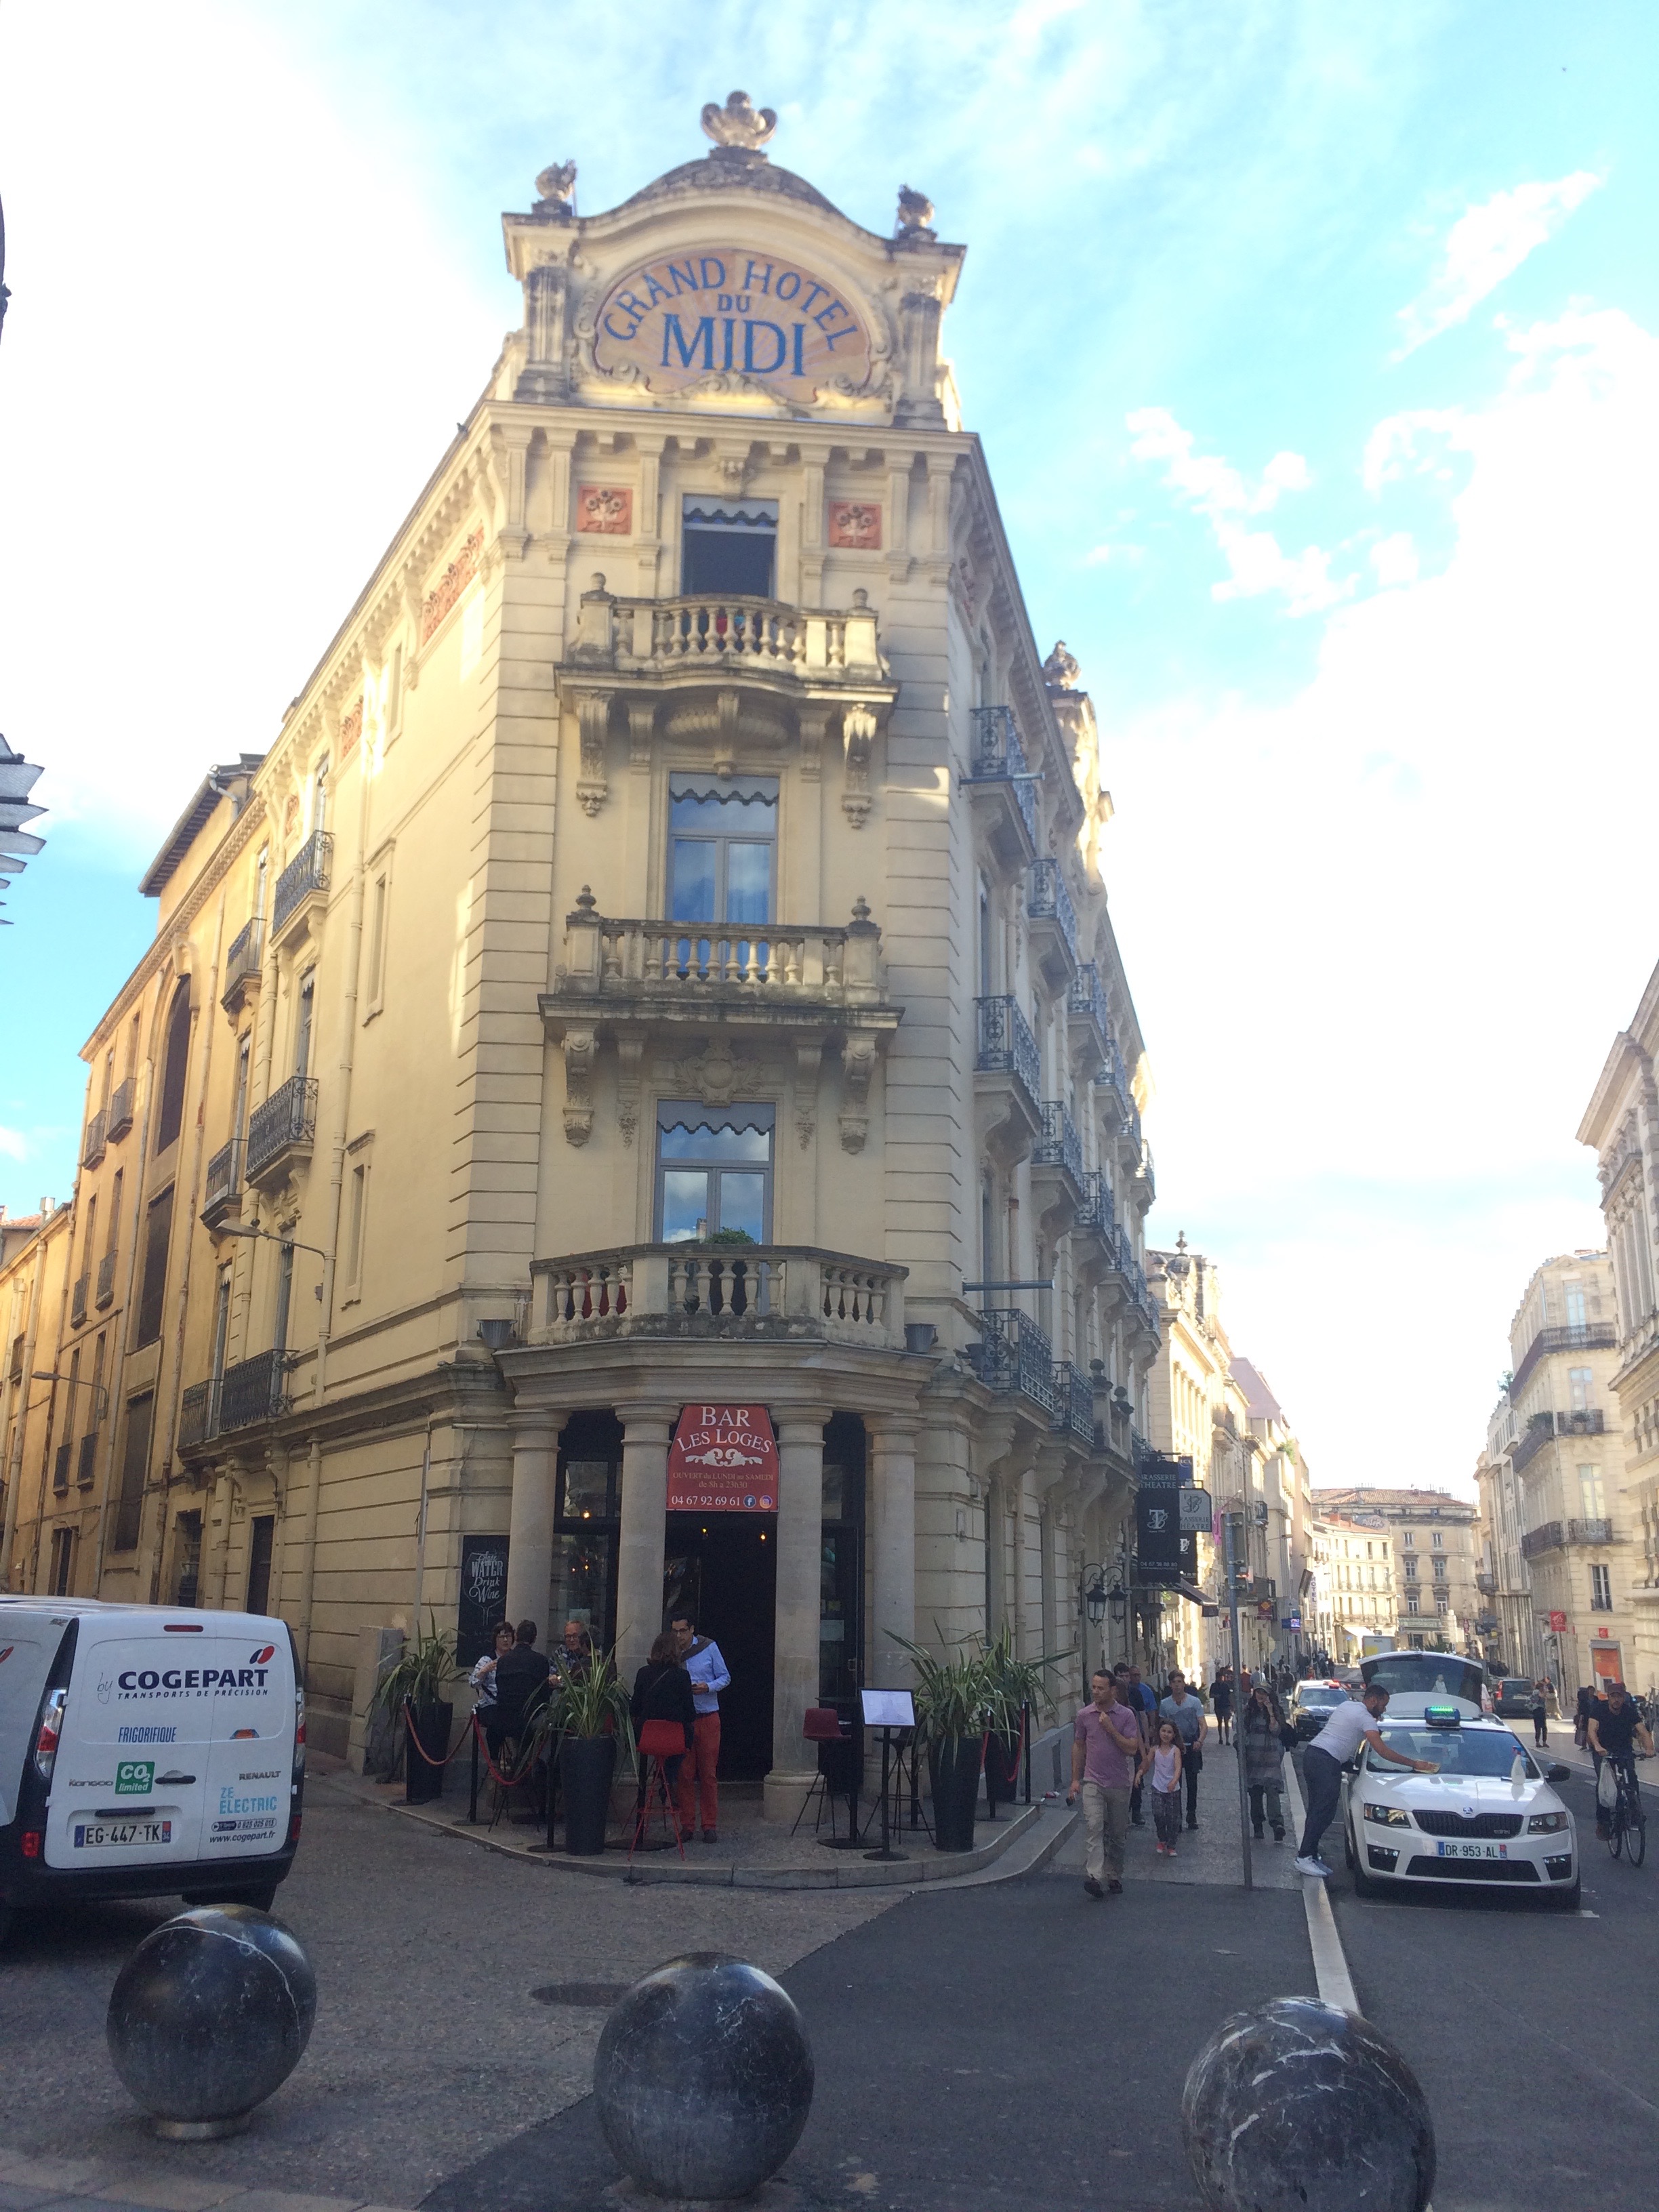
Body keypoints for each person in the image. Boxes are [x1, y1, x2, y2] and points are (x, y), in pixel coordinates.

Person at [1294, 1681, 1437, 1878]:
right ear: (1374, 1700)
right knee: (1323, 1812)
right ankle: (1304, 1857)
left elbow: (1344, 1734)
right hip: (1326, 1762)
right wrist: (1413, 1763)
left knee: (1317, 1810)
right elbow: (1382, 1750)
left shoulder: (1347, 1706)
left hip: (1314, 1755)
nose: (1384, 1710)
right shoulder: (1365, 1718)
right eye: (1383, 1705)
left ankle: (1310, 1854)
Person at [1067, 1668, 1145, 1897]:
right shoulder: (1084, 1715)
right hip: (1093, 1780)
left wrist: (1111, 1729)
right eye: (1093, 1687)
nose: (1096, 1692)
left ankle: (1114, 1874)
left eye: (1101, 1688)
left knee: (1117, 1834)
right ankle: (1094, 1876)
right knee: (1094, 1826)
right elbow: (1079, 1746)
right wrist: (1075, 1779)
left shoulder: (1126, 1715)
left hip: (1119, 1783)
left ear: (1112, 1690)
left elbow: (1132, 1748)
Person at [670, 1612, 731, 1843]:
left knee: (708, 1774)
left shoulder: (709, 1647)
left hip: (708, 1716)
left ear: (692, 1629)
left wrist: (708, 1687)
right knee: (685, 1774)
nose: (679, 1636)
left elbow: (725, 1677)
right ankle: (687, 1824)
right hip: (685, 1720)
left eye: (683, 1631)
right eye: (675, 1631)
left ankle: (709, 1825)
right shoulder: (671, 1652)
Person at [630, 1631, 698, 1830]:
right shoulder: (682, 1677)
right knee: (685, 1741)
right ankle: (668, 1777)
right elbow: (690, 1714)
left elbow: (634, 1709)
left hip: (647, 1739)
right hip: (674, 1740)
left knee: (663, 1749)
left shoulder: (643, 1673)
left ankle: (664, 1777)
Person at [1586, 1680, 1654, 1837]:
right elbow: (1592, 1730)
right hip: (1603, 1750)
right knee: (1604, 1784)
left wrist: (1649, 1749)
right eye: (1613, 1696)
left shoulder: (1629, 1711)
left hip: (1623, 1749)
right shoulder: (1599, 1710)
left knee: (1631, 1777)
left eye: (1619, 1696)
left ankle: (1635, 1812)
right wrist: (1597, 1746)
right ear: (1608, 1697)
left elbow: (1643, 1732)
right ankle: (1603, 1822)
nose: (1616, 1700)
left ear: (1624, 1698)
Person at [1158, 1670, 1208, 1830]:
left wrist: (1200, 1741)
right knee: (1175, 1783)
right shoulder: (1165, 1704)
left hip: (1192, 1746)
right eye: (1174, 1682)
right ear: (1170, 1685)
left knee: (1192, 1783)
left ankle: (1191, 1814)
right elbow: (1162, 1726)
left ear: (1184, 1684)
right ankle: (1176, 1817)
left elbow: (1203, 1724)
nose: (1177, 1685)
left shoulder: (1194, 1702)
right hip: (1175, 1748)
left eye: (1180, 1682)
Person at [1241, 1679, 1288, 1842]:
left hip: (1271, 1757)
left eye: (1264, 1693)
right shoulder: (1247, 1711)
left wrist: (1270, 1712)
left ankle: (1277, 1824)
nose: (1260, 1696)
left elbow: (1276, 1731)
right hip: (1253, 1757)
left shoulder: (1276, 1710)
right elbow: (1241, 1731)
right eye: (1258, 1692)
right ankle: (1258, 1825)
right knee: (1255, 1793)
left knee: (1273, 1791)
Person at [1123, 1664, 1158, 1824]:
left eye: (1127, 1676)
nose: (1126, 1679)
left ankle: (1136, 1811)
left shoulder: (1138, 1692)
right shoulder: (1113, 1693)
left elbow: (1144, 1715)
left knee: (1137, 1776)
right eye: (1122, 1676)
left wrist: (1147, 1739)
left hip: (1136, 1740)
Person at [1147, 1719, 1183, 1856]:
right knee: (1158, 1814)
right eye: (1163, 1731)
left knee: (1172, 1818)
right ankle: (1162, 1839)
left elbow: (1178, 1768)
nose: (1166, 1734)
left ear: (1174, 1735)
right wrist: (1139, 1773)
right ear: (1159, 1732)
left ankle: (1171, 1844)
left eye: (1169, 1732)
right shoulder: (1154, 1750)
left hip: (1172, 1789)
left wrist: (1174, 1781)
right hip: (1157, 1787)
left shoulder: (1175, 1751)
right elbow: (1147, 1764)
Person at [469, 1619, 516, 1715]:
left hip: (512, 1705)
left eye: (508, 1636)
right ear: (495, 1639)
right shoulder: (487, 1660)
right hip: (490, 1706)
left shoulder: (516, 1658)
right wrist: (484, 1671)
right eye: (502, 1637)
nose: (506, 1640)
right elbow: (473, 1683)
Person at [1210, 1666, 1234, 1747]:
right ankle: (1220, 1738)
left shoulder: (1225, 1685)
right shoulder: (1214, 1685)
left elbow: (1229, 1695)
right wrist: (1216, 1696)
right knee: (1220, 1722)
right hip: (1218, 1706)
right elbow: (1211, 1695)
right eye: (1219, 1677)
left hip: (1226, 1705)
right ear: (1217, 1678)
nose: (1221, 1679)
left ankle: (1227, 1739)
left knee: (1226, 1723)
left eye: (1221, 1677)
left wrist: (1231, 1705)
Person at [1531, 1679, 1550, 1749]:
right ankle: (1540, 1742)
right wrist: (1545, 1692)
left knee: (1540, 1727)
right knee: (1541, 1727)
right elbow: (1541, 1697)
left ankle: (1540, 1741)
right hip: (1539, 1710)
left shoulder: (1535, 1692)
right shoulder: (1537, 1692)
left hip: (1538, 1710)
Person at [1575, 1683, 1593, 1749]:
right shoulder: (1586, 1701)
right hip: (1587, 1717)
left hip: (1585, 1718)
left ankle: (1586, 1746)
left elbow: (1581, 1711)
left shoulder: (1582, 1702)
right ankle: (1588, 1746)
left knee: (1585, 1732)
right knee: (1586, 1732)